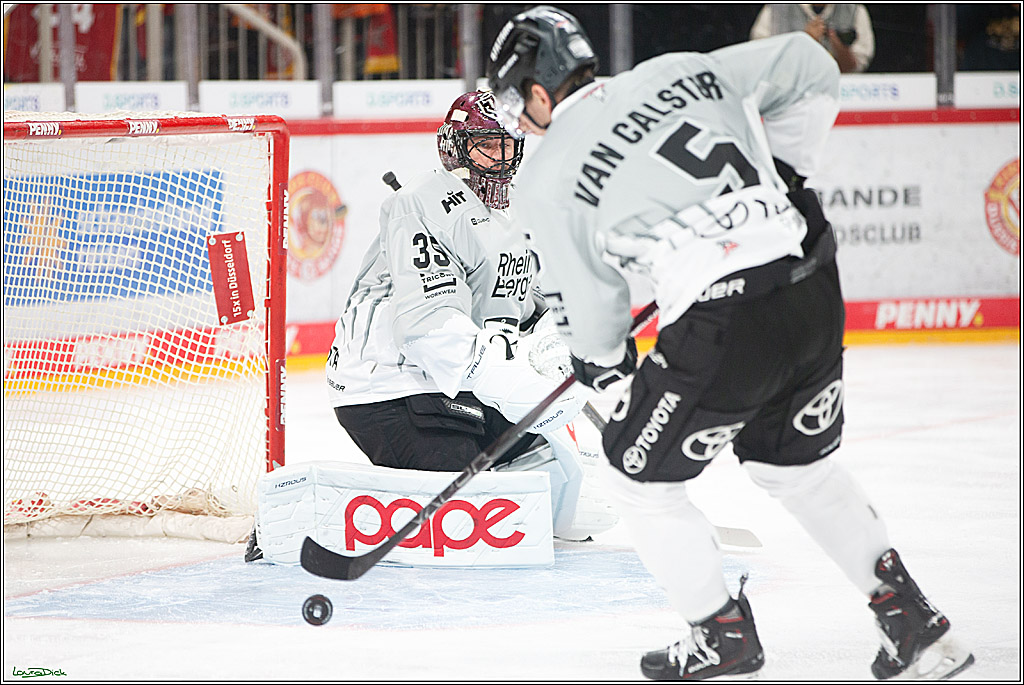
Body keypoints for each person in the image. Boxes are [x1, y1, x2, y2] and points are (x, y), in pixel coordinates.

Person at [487, 6, 974, 681]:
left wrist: (603, 367)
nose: (520, 120)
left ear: (540, 92)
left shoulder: (545, 178)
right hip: (809, 282)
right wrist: (787, 173)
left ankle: (720, 632)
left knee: (635, 474)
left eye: (518, 103)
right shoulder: (679, 71)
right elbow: (811, 62)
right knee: (796, 468)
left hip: (726, 320)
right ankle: (913, 623)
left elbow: (596, 322)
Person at [322, 89, 614, 543]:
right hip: (390, 387)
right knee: (468, 519)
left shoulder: (514, 211)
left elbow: (536, 299)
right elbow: (428, 327)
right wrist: (518, 388)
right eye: (486, 145)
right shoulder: (420, 203)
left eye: (508, 145)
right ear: (455, 148)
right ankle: (321, 511)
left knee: (563, 496)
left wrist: (564, 343)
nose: (501, 159)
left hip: (458, 385)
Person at [750, 3, 875, 73]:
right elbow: (761, 60)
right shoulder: (776, 9)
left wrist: (839, 46)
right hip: (786, 93)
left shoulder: (855, 10)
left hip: (841, 93)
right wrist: (805, 41)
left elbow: (856, 67)